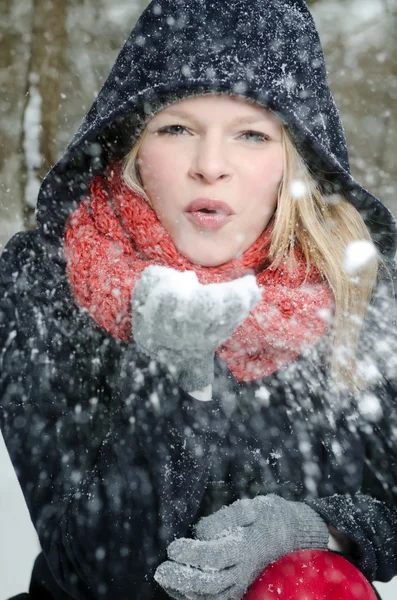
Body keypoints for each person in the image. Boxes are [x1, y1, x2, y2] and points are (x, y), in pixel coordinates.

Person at [1, 0, 397, 599]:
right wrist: (172, 378)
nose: (210, 166)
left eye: (252, 134)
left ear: (294, 159)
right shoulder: (45, 282)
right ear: (132, 145)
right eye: (177, 128)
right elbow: (92, 566)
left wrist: (320, 531)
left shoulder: (357, 285)